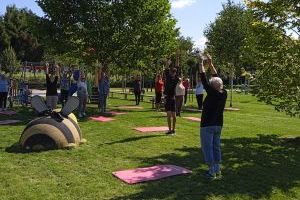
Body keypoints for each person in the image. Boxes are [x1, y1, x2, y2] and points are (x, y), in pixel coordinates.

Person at [198, 54, 227, 180]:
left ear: (212, 86)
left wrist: (200, 63)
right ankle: (217, 169)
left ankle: (211, 171)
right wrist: (211, 64)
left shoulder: (212, 92)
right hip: (218, 124)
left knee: (207, 147)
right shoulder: (223, 93)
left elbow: (203, 78)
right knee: (216, 146)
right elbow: (216, 78)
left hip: (207, 125)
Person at [164, 61, 180, 135]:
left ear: (171, 72)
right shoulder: (176, 78)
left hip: (168, 98)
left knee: (169, 115)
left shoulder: (168, 76)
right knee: (174, 115)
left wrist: (168, 62)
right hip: (173, 98)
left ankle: (170, 130)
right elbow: (177, 68)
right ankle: (173, 130)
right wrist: (177, 58)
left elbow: (166, 68)